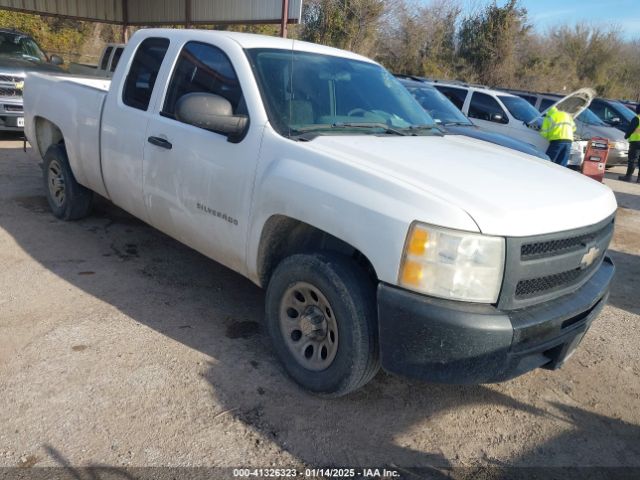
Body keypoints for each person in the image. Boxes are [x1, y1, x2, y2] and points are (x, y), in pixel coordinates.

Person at [619, 103, 640, 182]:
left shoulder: (637, 118)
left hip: (636, 142)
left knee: (633, 160)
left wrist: (626, 136)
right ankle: (639, 179)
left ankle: (628, 177)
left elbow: (631, 129)